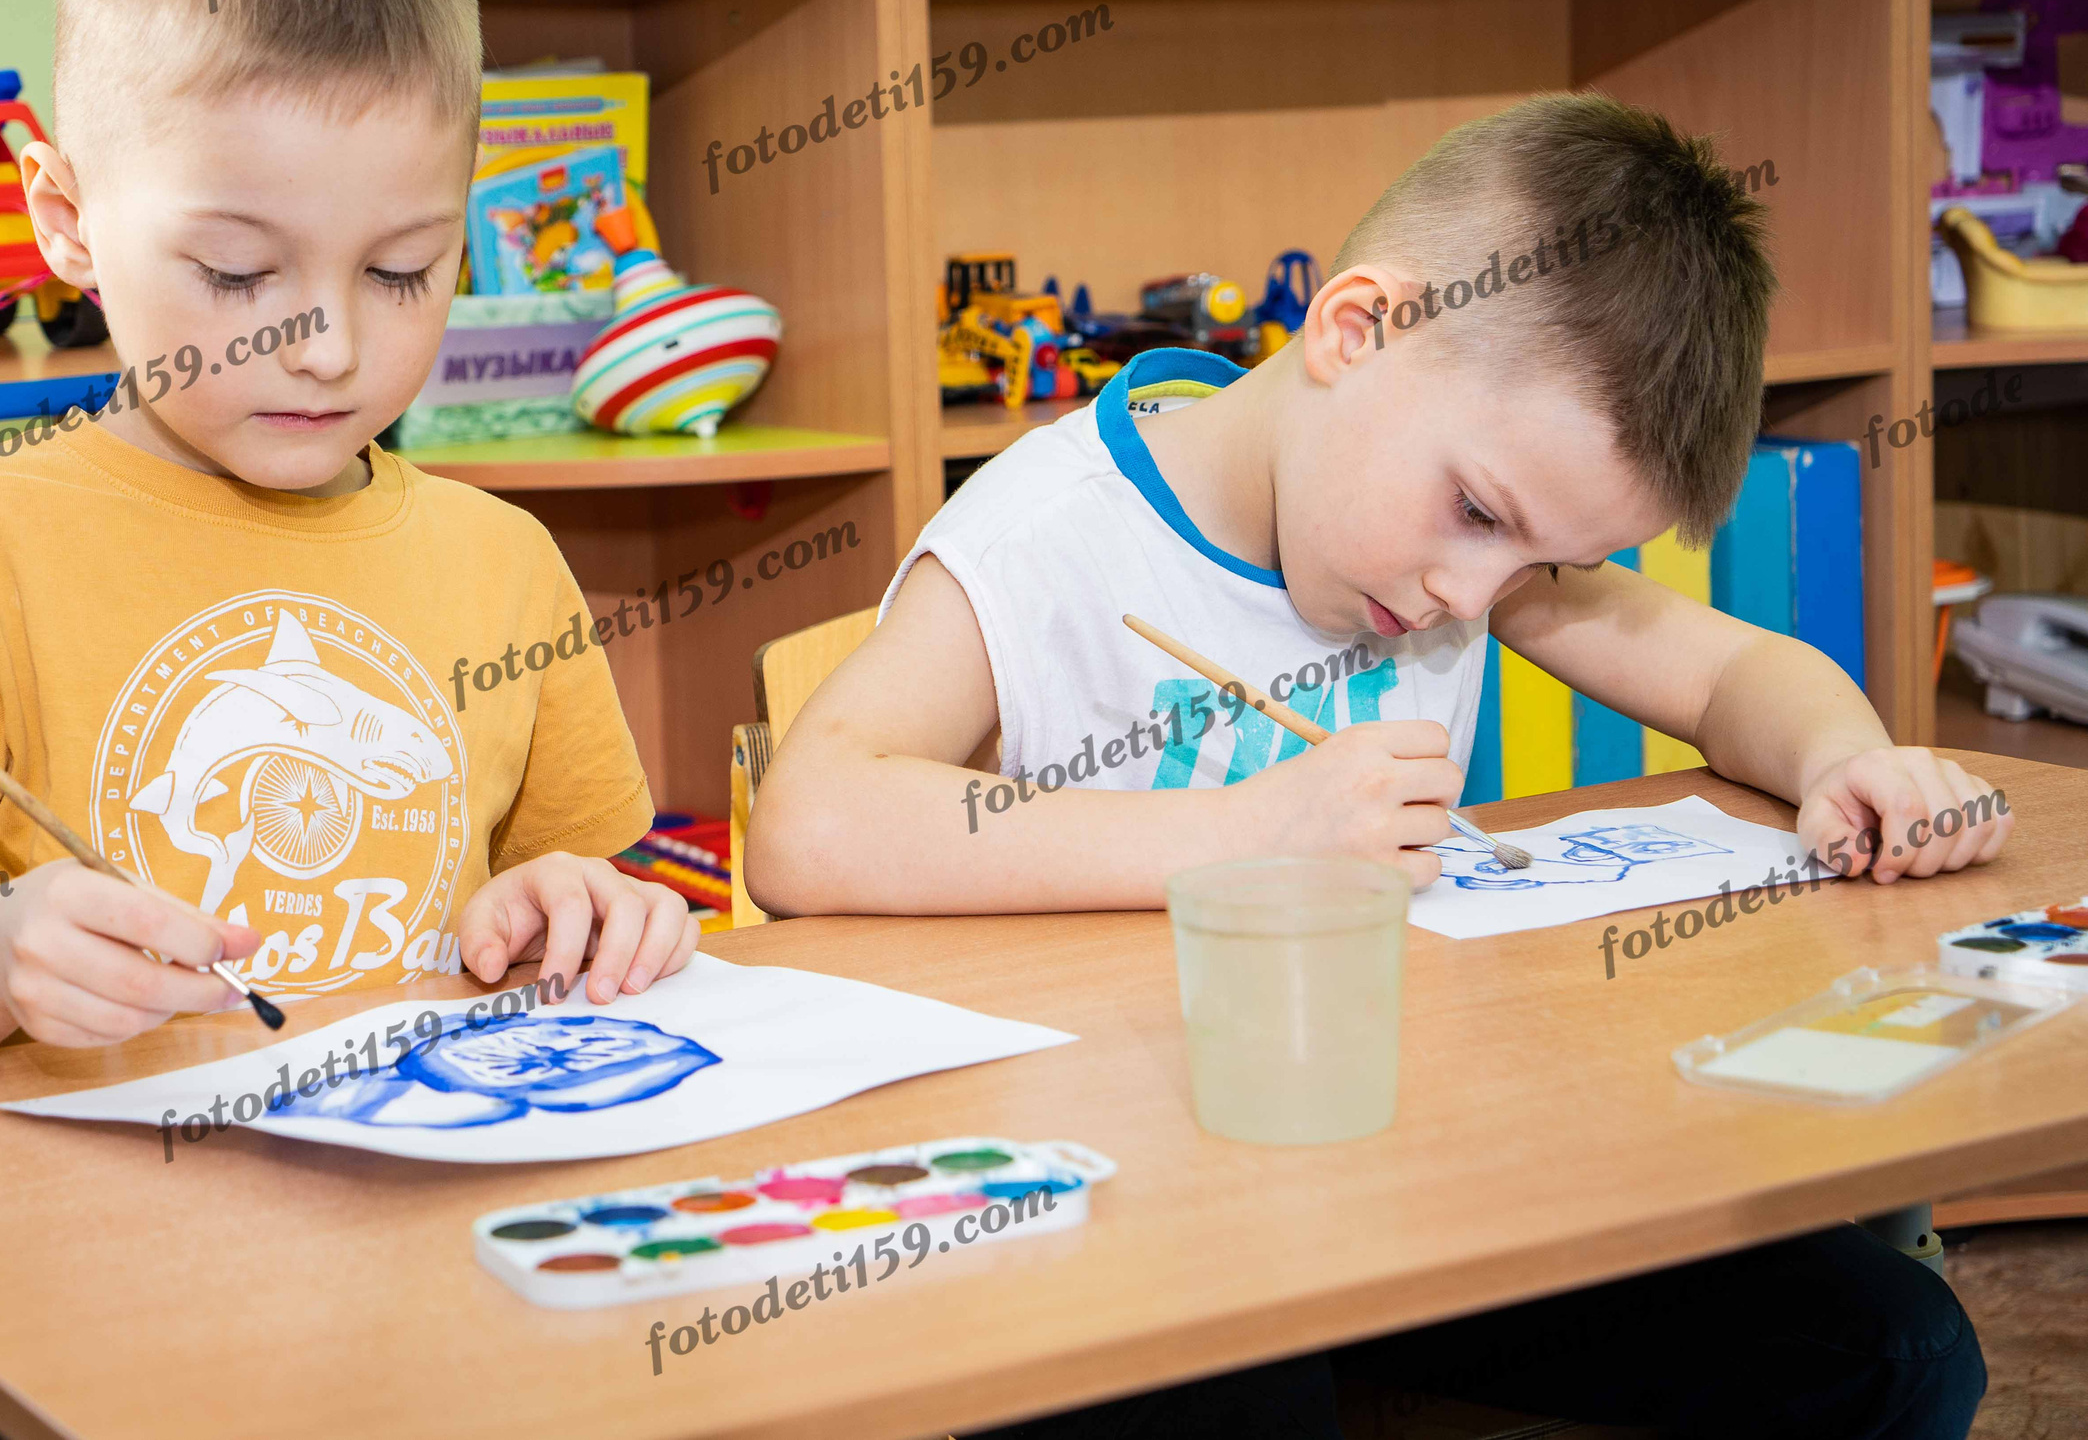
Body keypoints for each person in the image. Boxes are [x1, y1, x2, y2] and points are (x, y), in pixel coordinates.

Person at [747, 94, 1993, 1437]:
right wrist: (1245, 830)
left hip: (1417, 1183)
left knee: (1899, 1352)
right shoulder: (1048, 538)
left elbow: (1733, 671)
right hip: (1122, 1211)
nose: (1471, 590)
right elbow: (811, 821)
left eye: (1539, 565)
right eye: (1478, 514)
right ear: (1356, 328)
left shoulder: (1469, 557)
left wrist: (1846, 757)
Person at [0, 0, 696, 1099]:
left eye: (402, 268)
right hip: (63, 1265)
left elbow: (575, 924)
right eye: (240, 273)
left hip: (420, 1233)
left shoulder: (506, 564)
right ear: (66, 224)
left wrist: (582, 915)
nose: (329, 349)